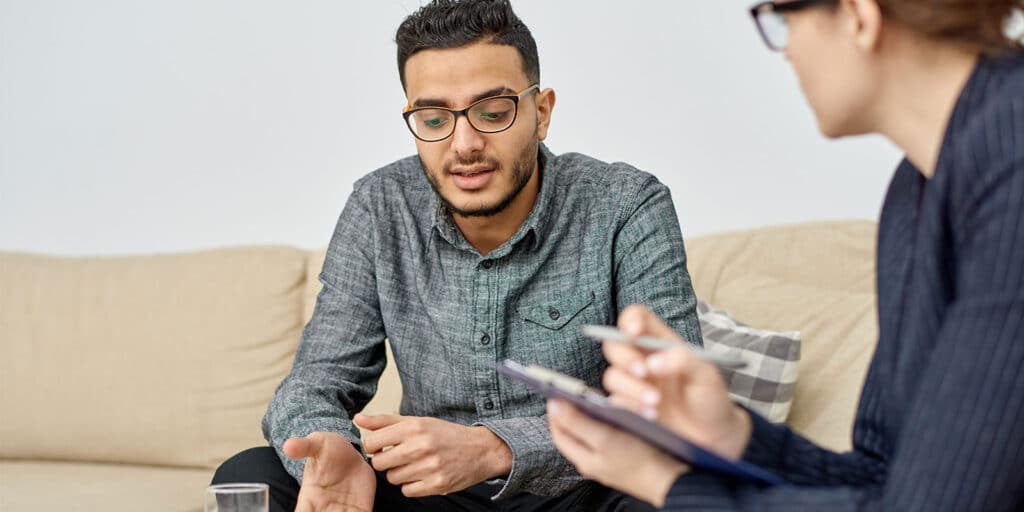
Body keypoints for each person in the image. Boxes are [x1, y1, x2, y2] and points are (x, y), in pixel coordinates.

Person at [211, 0, 704, 510]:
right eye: (433, 118)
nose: (464, 144)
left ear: (541, 113)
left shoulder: (625, 204)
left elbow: (672, 408)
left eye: (493, 112)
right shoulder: (380, 206)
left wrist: (497, 448)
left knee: (680, 492)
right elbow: (313, 386)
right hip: (430, 495)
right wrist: (339, 450)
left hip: (582, 488)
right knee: (248, 474)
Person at [548, 0, 1024, 510]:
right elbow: (880, 476)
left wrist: (664, 482)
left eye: (782, 17)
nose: (786, 51)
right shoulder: (915, 192)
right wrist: (732, 433)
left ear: (858, 15)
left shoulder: (1010, 165)